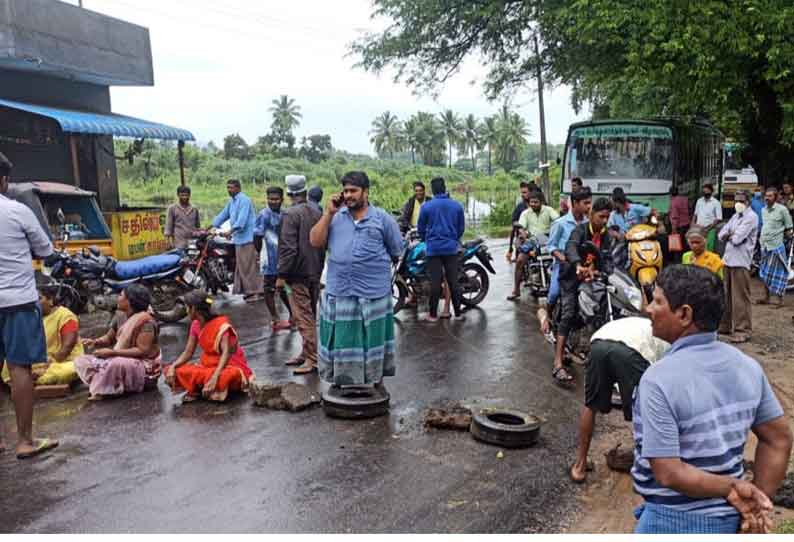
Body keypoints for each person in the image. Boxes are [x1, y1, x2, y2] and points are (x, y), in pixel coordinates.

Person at [632, 265, 792, 534]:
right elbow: (779, 439)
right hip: (730, 521)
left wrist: (733, 488)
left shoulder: (657, 379)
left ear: (684, 314)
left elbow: (668, 472)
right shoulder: (747, 366)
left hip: (670, 522)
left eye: (658, 301)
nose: (649, 308)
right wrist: (757, 500)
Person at [309, 171, 403, 388]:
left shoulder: (382, 219)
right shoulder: (334, 218)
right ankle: (341, 381)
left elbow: (396, 250)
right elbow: (315, 241)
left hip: (374, 294)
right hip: (340, 292)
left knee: (373, 341)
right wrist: (328, 213)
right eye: (346, 191)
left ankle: (374, 381)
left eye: (353, 190)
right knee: (341, 340)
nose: (348, 195)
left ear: (366, 192)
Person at [0, 152, 59, 459]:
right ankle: (24, 441)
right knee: (19, 367)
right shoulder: (17, 210)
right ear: (5, 180)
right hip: (18, 301)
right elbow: (45, 250)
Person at [569, 316, 669, 483]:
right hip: (632, 351)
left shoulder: (642, 323)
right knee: (643, 410)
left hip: (599, 344)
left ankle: (580, 465)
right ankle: (644, 468)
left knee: (590, 405)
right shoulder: (671, 343)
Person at [553, 195, 611, 386]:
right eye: (601, 217)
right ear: (592, 214)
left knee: (602, 311)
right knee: (568, 314)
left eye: (607, 218)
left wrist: (602, 271)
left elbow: (608, 259)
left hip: (591, 280)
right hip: (571, 277)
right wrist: (578, 265)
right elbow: (570, 247)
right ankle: (558, 363)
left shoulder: (605, 235)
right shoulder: (580, 230)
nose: (604, 221)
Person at [75, 284, 162, 400]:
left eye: (121, 295)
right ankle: (106, 384)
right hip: (118, 358)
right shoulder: (120, 316)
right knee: (81, 361)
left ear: (130, 301)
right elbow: (109, 338)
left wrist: (113, 353)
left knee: (116, 364)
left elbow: (142, 350)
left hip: (143, 368)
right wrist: (95, 342)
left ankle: (105, 387)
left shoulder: (146, 322)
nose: (118, 298)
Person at [165, 290, 253, 402]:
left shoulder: (222, 325)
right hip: (208, 366)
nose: (186, 311)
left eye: (187, 308)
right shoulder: (195, 325)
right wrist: (173, 367)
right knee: (171, 370)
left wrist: (215, 377)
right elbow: (188, 352)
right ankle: (206, 389)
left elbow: (226, 354)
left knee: (225, 377)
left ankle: (204, 388)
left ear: (194, 309)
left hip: (228, 366)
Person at [277, 175, 324, 374]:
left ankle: (312, 358)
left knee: (303, 317)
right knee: (310, 314)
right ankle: (306, 353)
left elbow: (288, 248)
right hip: (315, 270)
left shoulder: (289, 214)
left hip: (297, 273)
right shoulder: (316, 211)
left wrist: (281, 274)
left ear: (289, 193)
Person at [1, 286, 82, 387]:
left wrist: (46, 366)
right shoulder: (31, 318)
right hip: (38, 363)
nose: (34, 302)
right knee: (8, 363)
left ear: (51, 300)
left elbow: (67, 347)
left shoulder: (65, 315)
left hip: (62, 362)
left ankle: (25, 380)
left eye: (39, 298)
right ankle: (28, 378)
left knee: (70, 369)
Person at [417, 177, 466, 321]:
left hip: (433, 249)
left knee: (435, 283)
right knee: (453, 281)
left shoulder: (426, 206)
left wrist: (427, 239)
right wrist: (453, 239)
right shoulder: (456, 206)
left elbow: (421, 229)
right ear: (444, 188)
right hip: (451, 249)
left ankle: (433, 315)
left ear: (432, 190)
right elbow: (461, 228)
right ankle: (457, 313)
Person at [545, 187, 592, 321]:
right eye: (586, 203)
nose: (589, 206)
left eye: (590, 203)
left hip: (582, 266)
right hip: (563, 266)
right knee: (554, 293)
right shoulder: (560, 223)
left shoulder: (588, 223)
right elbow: (551, 246)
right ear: (576, 203)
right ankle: (548, 317)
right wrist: (563, 258)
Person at [212, 179, 262, 303]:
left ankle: (256, 292)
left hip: (248, 238)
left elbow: (242, 221)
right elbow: (223, 215)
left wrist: (230, 231)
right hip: (239, 239)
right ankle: (249, 291)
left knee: (249, 267)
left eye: (231, 187)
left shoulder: (244, 200)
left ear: (238, 188)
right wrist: (211, 226)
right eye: (228, 187)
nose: (229, 190)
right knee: (242, 267)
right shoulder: (232, 202)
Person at [718, 191, 758, 343]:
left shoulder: (752, 217)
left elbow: (737, 238)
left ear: (748, 201)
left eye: (741, 200)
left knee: (740, 297)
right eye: (736, 200)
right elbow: (721, 234)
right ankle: (725, 325)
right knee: (726, 295)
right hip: (728, 260)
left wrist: (730, 235)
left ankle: (743, 330)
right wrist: (729, 234)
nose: (738, 203)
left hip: (741, 262)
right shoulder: (735, 216)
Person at [254, 186, 292, 332]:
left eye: (276, 199)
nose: (273, 202)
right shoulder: (264, 215)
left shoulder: (285, 214)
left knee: (283, 287)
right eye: (270, 199)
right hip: (269, 258)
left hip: (283, 257)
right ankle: (275, 318)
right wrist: (259, 254)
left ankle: (292, 315)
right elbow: (257, 236)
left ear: (282, 200)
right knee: (269, 289)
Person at [509, 190, 559, 300]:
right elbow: (521, 226)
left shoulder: (549, 210)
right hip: (532, 241)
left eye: (536, 202)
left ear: (541, 202)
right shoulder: (525, 213)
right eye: (531, 202)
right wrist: (522, 233)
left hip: (548, 240)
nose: (533, 204)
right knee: (520, 260)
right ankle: (516, 290)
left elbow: (557, 220)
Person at [757, 186, 793, 308]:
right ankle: (766, 297)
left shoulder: (782, 210)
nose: (767, 198)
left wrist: (787, 238)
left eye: (770, 196)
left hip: (776, 245)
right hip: (764, 245)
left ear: (776, 197)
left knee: (779, 273)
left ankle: (780, 300)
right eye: (766, 196)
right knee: (763, 272)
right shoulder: (763, 210)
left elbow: (789, 227)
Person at [164, 185, 200, 249]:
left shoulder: (194, 209)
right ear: (178, 195)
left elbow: (198, 227)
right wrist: (168, 243)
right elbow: (168, 227)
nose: (184, 197)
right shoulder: (172, 208)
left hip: (192, 244)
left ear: (189, 195)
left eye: (186, 195)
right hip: (178, 244)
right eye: (182, 195)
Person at [506, 181, 533, 262]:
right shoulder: (519, 207)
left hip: (536, 237)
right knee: (520, 261)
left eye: (525, 192)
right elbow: (514, 224)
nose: (522, 194)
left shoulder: (538, 205)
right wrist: (510, 248)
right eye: (521, 192)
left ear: (531, 192)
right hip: (523, 238)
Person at [692, 183, 722, 251]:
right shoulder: (699, 201)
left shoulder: (716, 203)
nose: (705, 193)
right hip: (698, 229)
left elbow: (718, 219)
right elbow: (695, 215)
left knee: (708, 248)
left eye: (707, 191)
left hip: (710, 230)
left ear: (711, 191)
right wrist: (692, 225)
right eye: (704, 191)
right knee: (698, 248)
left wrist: (707, 229)